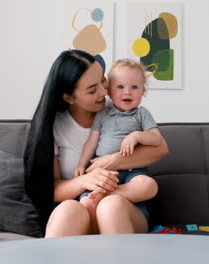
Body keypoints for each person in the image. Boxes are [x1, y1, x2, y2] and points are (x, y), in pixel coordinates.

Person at [23, 50, 169, 237]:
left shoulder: (119, 106)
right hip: (83, 206)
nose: (103, 92)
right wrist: (85, 180)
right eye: (92, 90)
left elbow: (161, 148)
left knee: (110, 205)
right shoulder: (54, 127)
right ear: (68, 97)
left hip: (125, 210)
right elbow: (48, 190)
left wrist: (113, 161)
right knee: (68, 209)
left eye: (103, 80)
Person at [74, 59, 161, 214]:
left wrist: (137, 136)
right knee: (85, 201)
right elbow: (91, 142)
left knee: (149, 185)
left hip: (132, 169)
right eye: (120, 86)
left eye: (134, 87)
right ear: (109, 91)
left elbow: (156, 139)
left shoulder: (141, 114)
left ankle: (109, 194)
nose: (127, 92)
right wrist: (82, 164)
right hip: (102, 169)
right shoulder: (102, 114)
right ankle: (100, 195)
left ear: (143, 91)